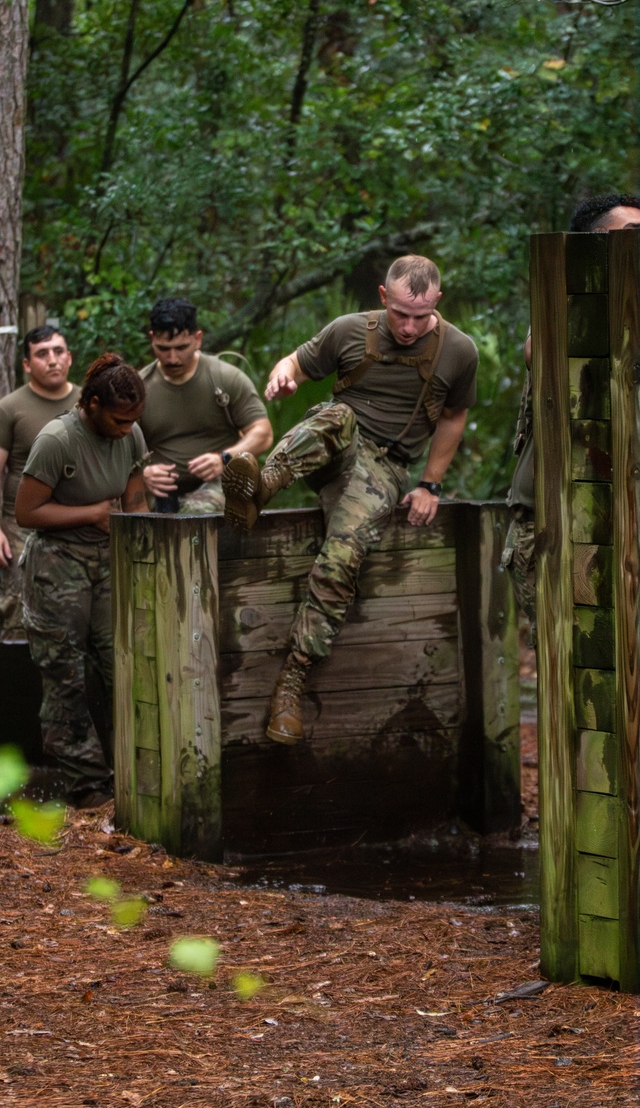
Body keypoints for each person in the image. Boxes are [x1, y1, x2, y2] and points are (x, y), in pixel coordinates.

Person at [222, 254, 479, 745]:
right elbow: (295, 361)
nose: (408, 327)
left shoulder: (459, 352)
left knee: (341, 558)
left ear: (436, 304)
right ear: (384, 298)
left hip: (383, 467)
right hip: (334, 449)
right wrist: (283, 376)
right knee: (336, 415)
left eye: (420, 316)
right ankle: (260, 487)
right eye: (400, 313)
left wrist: (429, 484)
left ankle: (292, 681)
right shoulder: (349, 330)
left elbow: (453, 416)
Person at [503, 193, 640, 642]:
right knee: (573, 666)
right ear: (594, 244)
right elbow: (539, 349)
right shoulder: (563, 305)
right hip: (549, 522)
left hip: (622, 520)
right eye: (631, 236)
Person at [15, 353, 148, 807]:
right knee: (65, 674)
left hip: (109, 560)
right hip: (59, 564)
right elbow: (26, 512)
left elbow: (136, 496)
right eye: (119, 419)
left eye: (134, 420)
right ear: (91, 404)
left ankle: (131, 776)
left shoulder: (131, 435)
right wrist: (92, 513)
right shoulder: (57, 440)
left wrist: (141, 540)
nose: (127, 428)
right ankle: (88, 786)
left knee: (122, 666)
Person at [0, 325, 80, 634]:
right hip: (21, 528)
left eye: (58, 352)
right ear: (26, 364)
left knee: (78, 616)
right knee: (17, 613)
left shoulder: (89, 403)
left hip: (80, 525)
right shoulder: (9, 408)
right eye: (42, 354)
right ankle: (17, 679)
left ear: (70, 358)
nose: (52, 360)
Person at [139, 297, 273, 513]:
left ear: (198, 339)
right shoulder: (140, 388)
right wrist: (142, 473)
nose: (173, 358)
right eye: (163, 349)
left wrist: (225, 458)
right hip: (161, 489)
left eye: (181, 347)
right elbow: (116, 445)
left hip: (221, 481)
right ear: (152, 339)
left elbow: (263, 433)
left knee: (195, 513)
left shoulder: (225, 378)